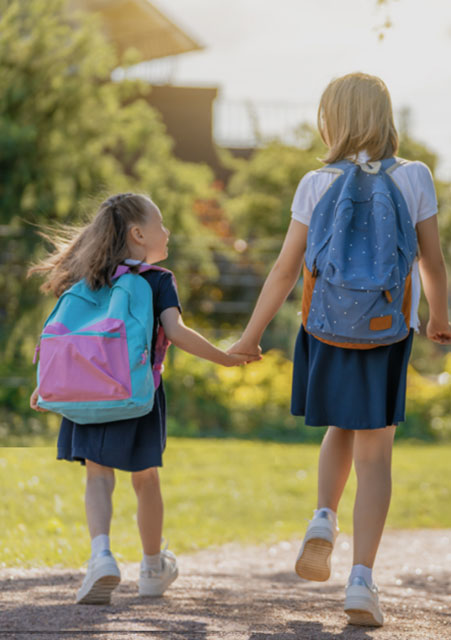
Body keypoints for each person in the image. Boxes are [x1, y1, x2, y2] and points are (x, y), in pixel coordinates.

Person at [228, 72, 451, 627]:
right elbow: (431, 262)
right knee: (376, 455)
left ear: (332, 120)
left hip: (325, 327)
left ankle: (323, 516)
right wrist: (438, 317)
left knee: (338, 430)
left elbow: (284, 270)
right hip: (385, 329)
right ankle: (361, 581)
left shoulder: (316, 182)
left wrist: (250, 336)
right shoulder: (416, 176)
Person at [28, 193, 259, 605]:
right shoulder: (156, 280)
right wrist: (225, 357)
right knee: (145, 479)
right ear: (138, 234)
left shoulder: (90, 280)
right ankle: (152, 567)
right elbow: (177, 332)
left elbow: (69, 341)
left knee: (97, 476)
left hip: (85, 396)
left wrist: (46, 384)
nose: (167, 231)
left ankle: (101, 557)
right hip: (135, 395)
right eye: (162, 223)